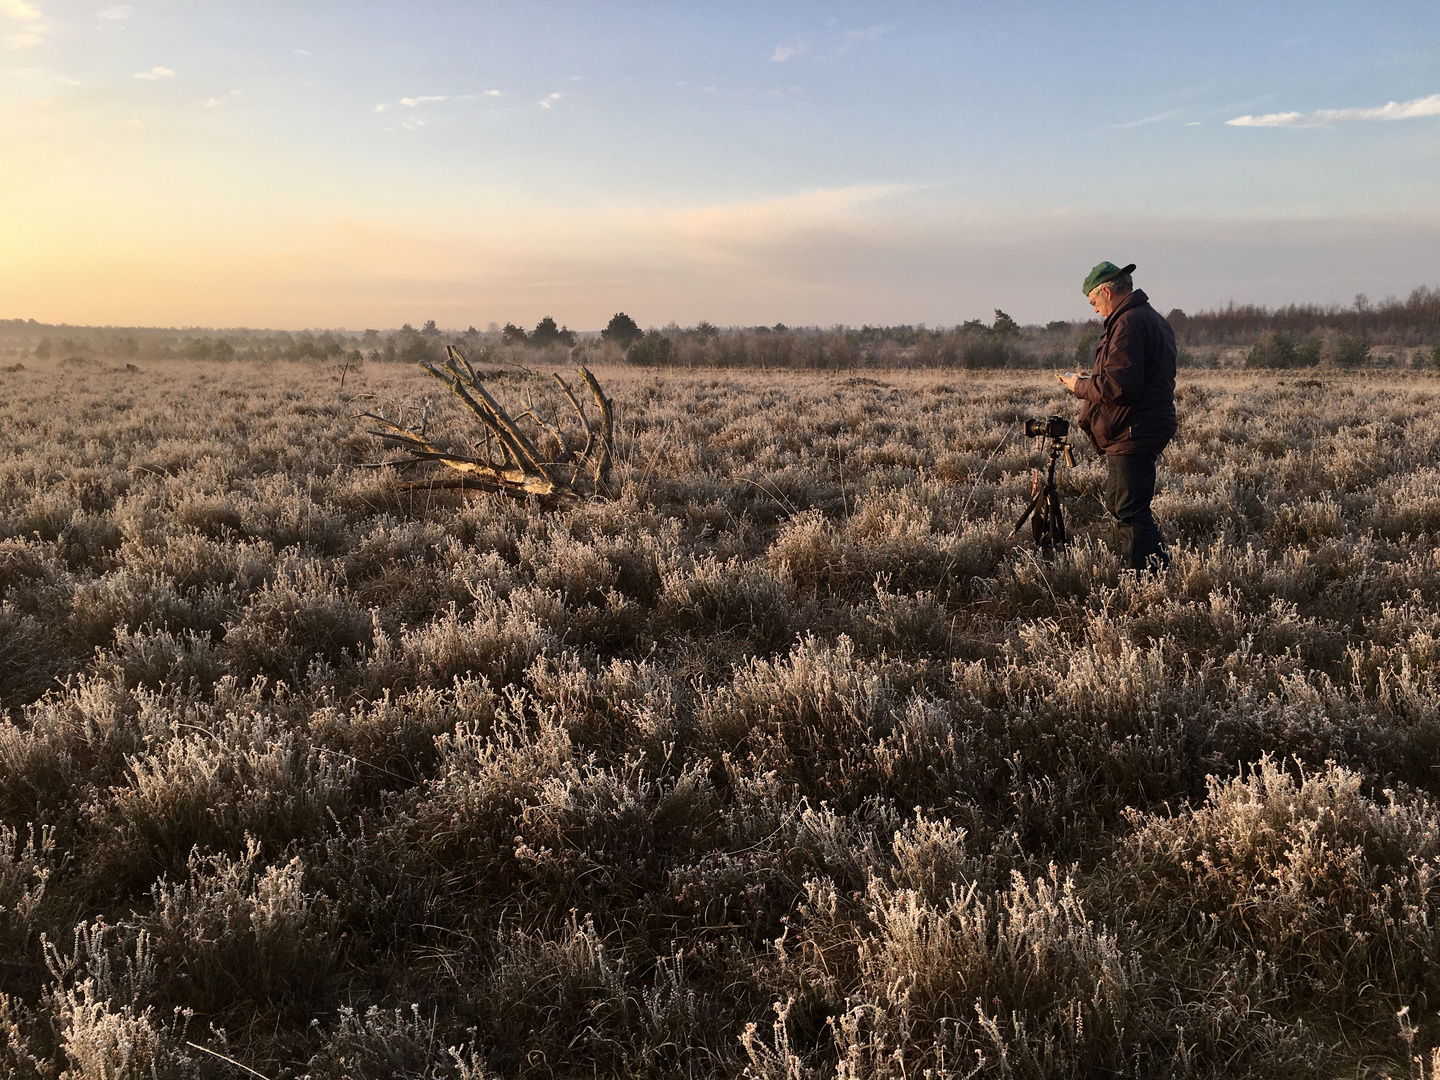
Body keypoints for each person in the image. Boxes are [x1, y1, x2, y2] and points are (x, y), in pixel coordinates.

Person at [1057, 261, 1176, 571]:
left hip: (1132, 429)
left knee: (1128, 510)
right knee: (1126, 505)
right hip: (1140, 426)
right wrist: (1094, 375)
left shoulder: (1128, 323)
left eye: (1094, 302)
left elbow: (1120, 387)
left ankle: (1138, 582)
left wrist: (1079, 385)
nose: (1096, 311)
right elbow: (1129, 376)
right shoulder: (1149, 318)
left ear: (1106, 292)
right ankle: (1159, 570)